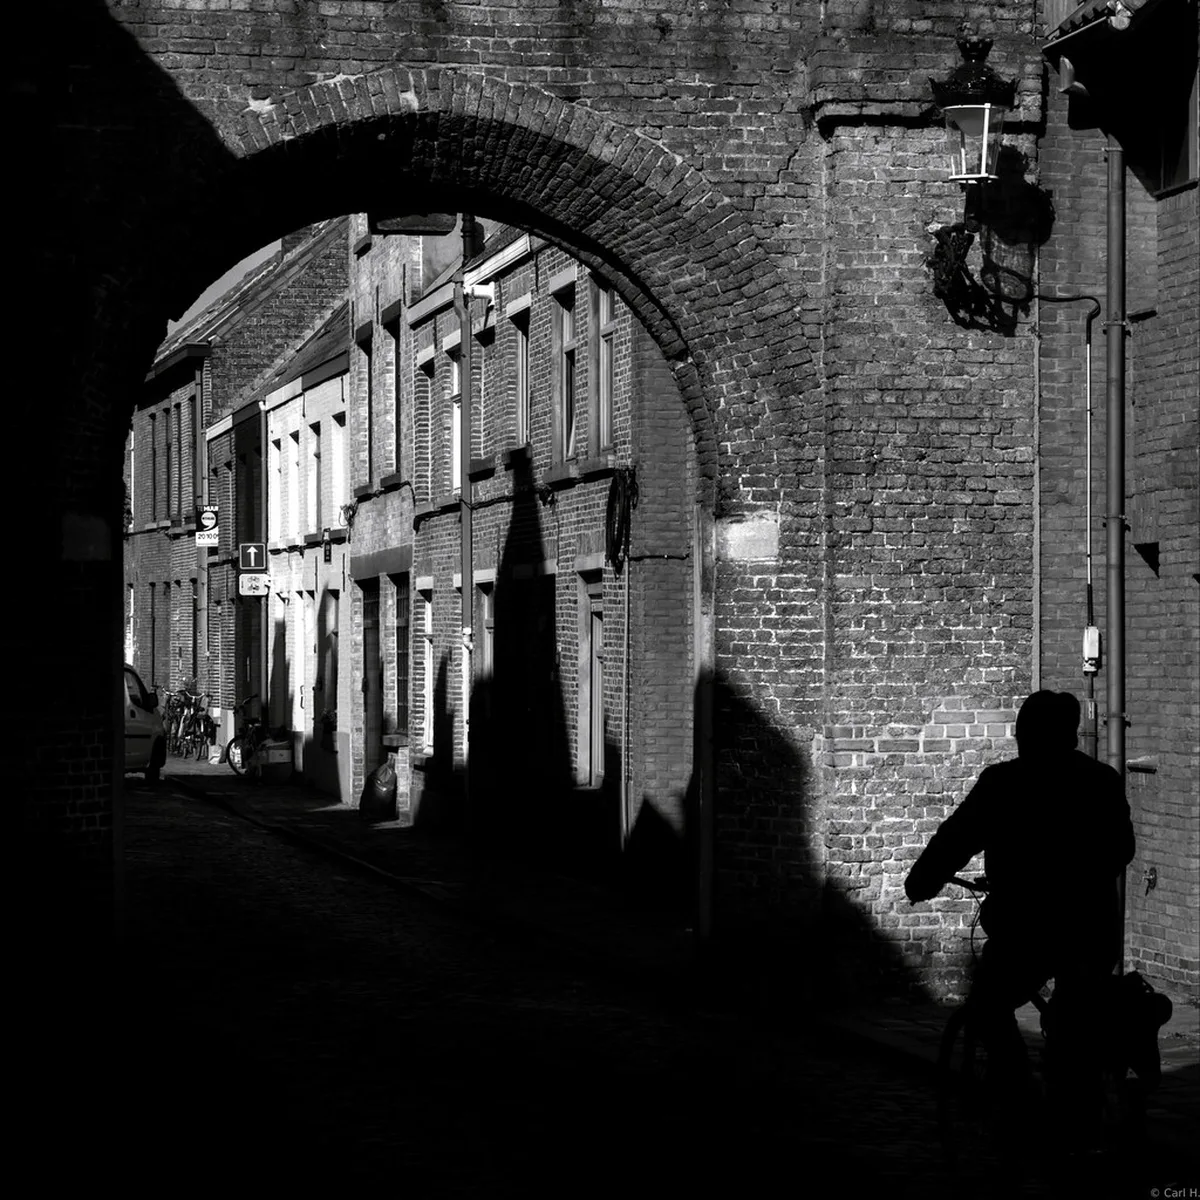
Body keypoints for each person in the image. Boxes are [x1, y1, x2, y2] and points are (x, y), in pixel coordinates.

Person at [905, 689, 1135, 1143]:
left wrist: (923, 880)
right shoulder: (1101, 781)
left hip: (1027, 931)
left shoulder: (1003, 783)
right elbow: (1122, 849)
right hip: (1092, 928)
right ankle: (1079, 1105)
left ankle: (1024, 1096)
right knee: (1074, 1017)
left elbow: (957, 837)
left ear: (1024, 735)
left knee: (989, 1007)